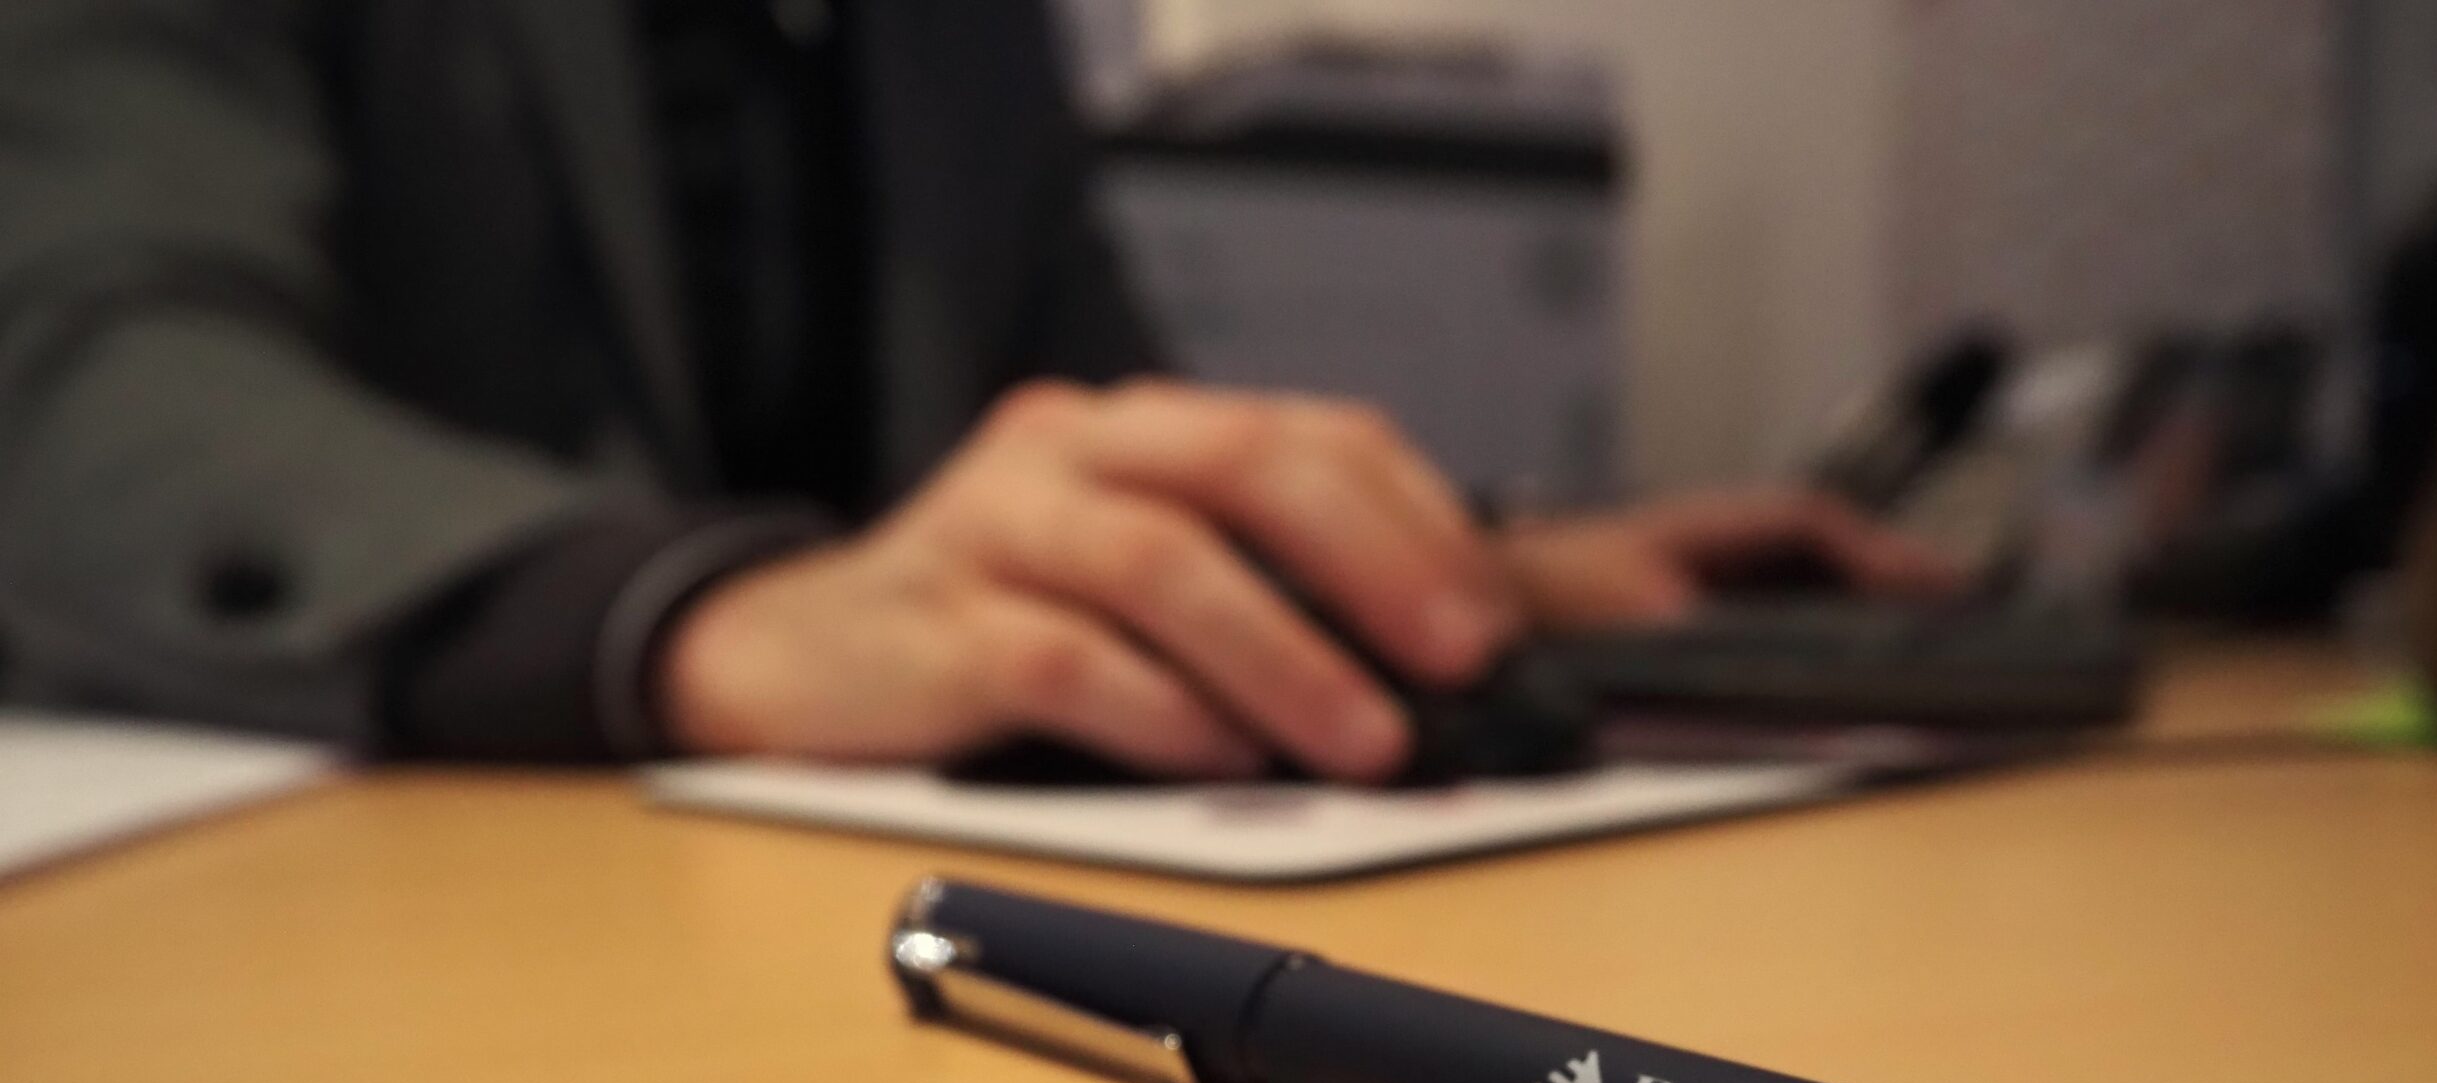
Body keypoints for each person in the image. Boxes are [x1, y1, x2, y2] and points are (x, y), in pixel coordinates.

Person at [0, 0, 1953, 780]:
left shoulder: (957, 33)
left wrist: (1476, 568)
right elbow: (86, 382)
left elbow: (1092, 440)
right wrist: (689, 619)